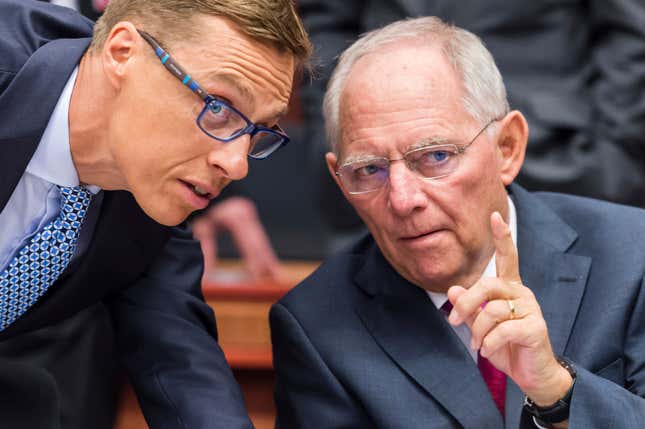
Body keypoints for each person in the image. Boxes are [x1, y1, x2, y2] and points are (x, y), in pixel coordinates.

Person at [270, 17, 645, 428]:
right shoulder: (316, 326)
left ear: (507, 147)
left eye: (435, 157)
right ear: (339, 178)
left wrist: (558, 392)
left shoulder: (632, 256)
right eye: (370, 170)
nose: (403, 199)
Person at [0, 1, 311, 429]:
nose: (237, 165)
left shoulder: (146, 201)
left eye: (256, 132)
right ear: (122, 52)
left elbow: (179, 360)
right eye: (218, 107)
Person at [298, 0, 645, 252]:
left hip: (559, 158)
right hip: (378, 176)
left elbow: (629, 28)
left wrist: (612, 150)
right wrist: (338, 132)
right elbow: (326, 20)